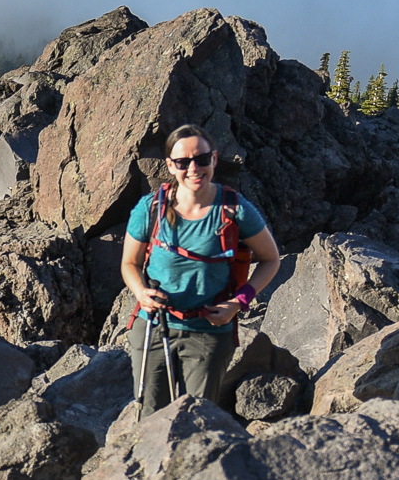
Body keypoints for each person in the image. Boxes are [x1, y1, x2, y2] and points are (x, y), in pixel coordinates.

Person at [121, 124, 283, 412]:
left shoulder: (235, 209)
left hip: (209, 334)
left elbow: (271, 259)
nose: (194, 168)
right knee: (148, 417)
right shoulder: (151, 208)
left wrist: (237, 303)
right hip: (154, 326)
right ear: (171, 166)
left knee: (196, 419)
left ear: (214, 159)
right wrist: (141, 293)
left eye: (202, 159)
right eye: (183, 162)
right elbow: (129, 264)